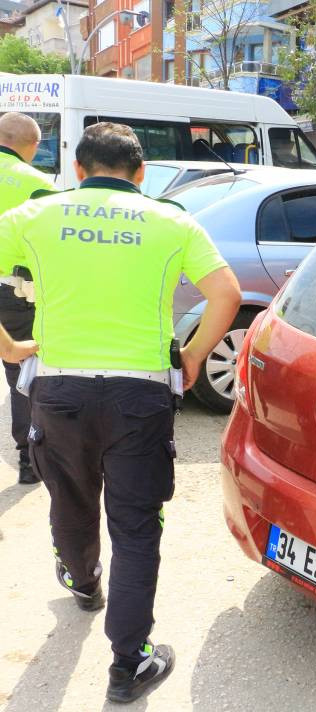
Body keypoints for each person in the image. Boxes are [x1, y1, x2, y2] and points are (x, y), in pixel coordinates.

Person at [0, 122, 241, 703]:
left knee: (71, 500)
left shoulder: (35, 216)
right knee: (135, 528)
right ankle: (128, 665)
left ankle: (84, 583)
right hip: (141, 394)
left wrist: (8, 347)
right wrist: (193, 356)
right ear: (141, 173)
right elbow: (227, 295)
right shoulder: (172, 220)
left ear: (78, 170)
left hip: (58, 389)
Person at [0, 112, 52, 485]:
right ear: (33, 145)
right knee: (22, 370)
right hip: (15, 291)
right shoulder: (38, 184)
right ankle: (29, 460)